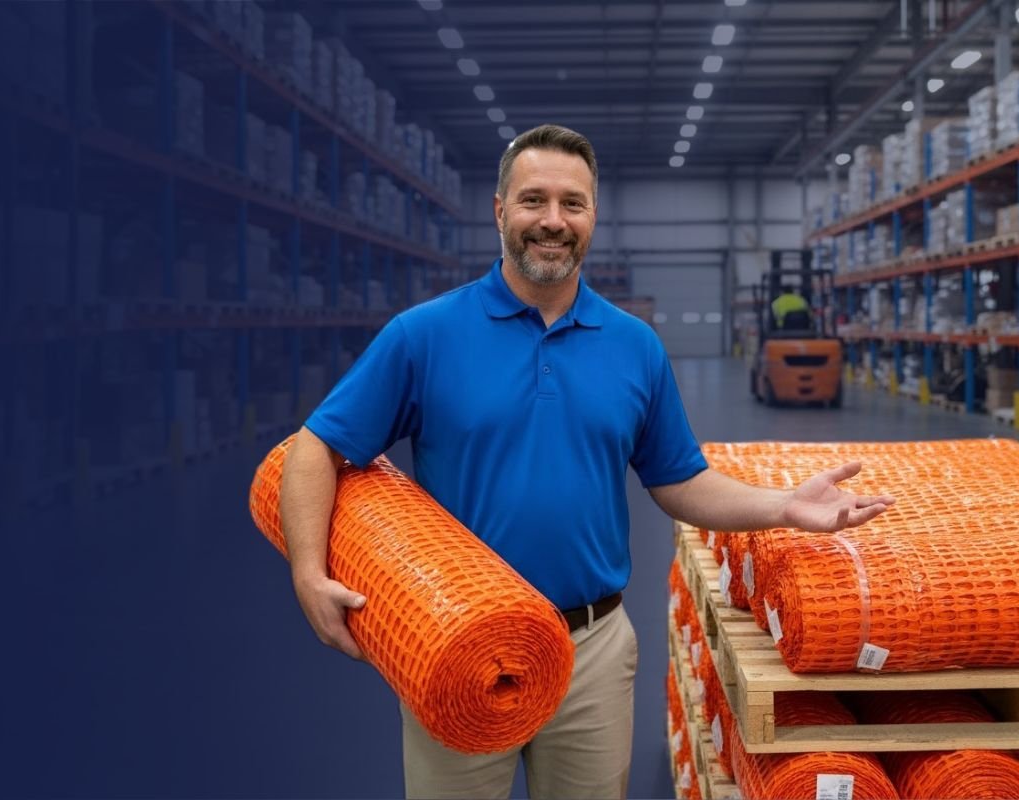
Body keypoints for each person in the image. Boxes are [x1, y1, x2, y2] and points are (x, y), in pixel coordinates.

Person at [278, 124, 895, 800]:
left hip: (592, 649)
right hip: (457, 642)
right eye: (533, 200)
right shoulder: (424, 336)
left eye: (572, 204)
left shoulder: (634, 346)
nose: (552, 221)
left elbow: (679, 479)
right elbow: (318, 446)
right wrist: (309, 573)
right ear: (499, 210)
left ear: (594, 214)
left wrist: (781, 506)